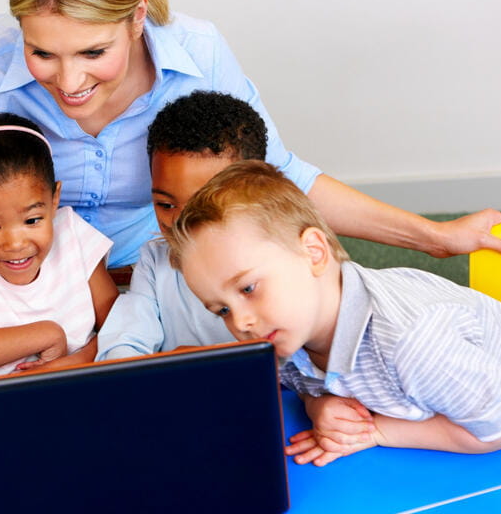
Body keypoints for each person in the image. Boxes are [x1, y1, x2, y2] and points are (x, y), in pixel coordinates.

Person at [0, 0, 501, 380]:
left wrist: (436, 237)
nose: (69, 81)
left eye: (91, 53)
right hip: (11, 285)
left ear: (137, 14)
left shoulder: (197, 51)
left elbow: (282, 176)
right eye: (42, 54)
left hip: (157, 267)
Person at [165, 160, 501, 466]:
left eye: (248, 288)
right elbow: (297, 380)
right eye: (222, 309)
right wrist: (317, 403)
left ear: (314, 253)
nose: (240, 322)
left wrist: (377, 431)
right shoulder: (286, 330)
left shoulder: (413, 341)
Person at [97, 90, 375, 451]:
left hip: (269, 416)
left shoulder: (289, 264)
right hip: (177, 411)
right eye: (165, 203)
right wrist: (151, 370)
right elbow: (124, 347)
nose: (181, 222)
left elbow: (317, 365)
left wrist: (316, 402)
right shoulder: (155, 258)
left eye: (202, 205)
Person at [0, 111, 118, 379]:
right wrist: (45, 334)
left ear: (54, 200)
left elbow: (122, 323)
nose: (15, 244)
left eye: (32, 220)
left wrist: (79, 360)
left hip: (78, 389)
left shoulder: (72, 233)